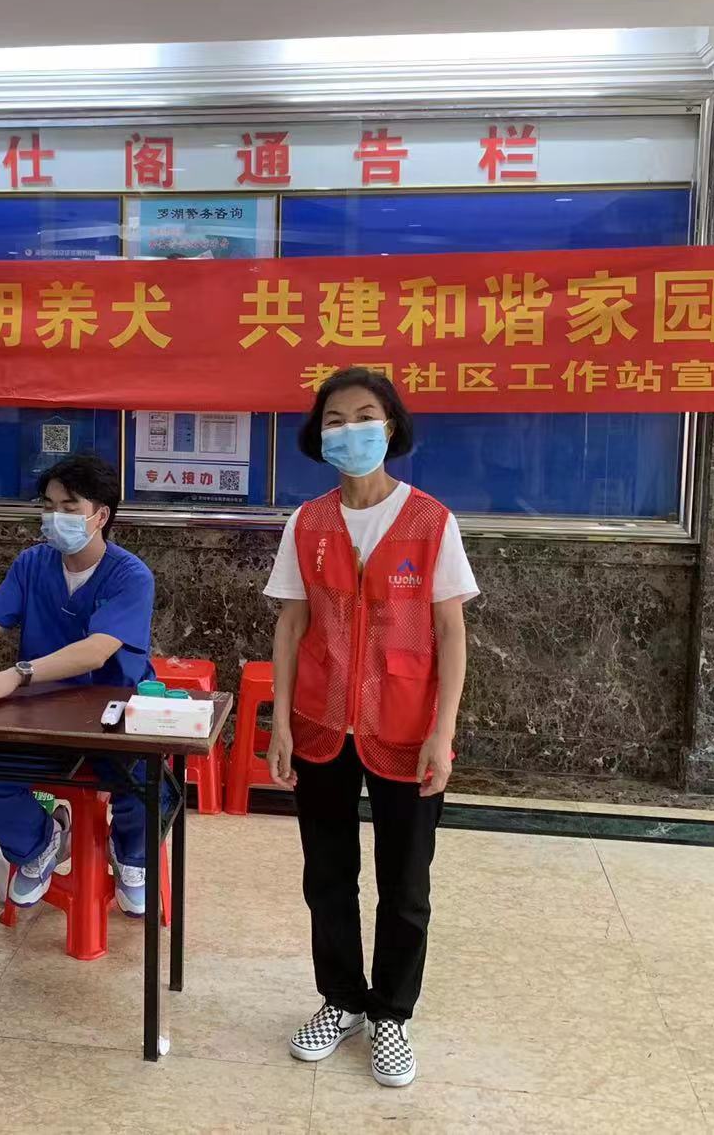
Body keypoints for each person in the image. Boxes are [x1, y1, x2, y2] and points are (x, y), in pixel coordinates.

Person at [263, 367, 477, 1089]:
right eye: (334, 420)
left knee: (405, 883)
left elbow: (451, 633)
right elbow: (290, 626)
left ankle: (391, 1014)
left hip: (406, 728)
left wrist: (443, 733)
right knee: (327, 876)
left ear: (390, 428)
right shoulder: (307, 523)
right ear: (318, 434)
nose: (348, 430)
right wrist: (281, 723)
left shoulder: (431, 521)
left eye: (363, 416)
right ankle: (342, 1001)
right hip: (321, 724)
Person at [0, 455, 157, 913]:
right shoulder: (32, 564)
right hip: (44, 714)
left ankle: (131, 857)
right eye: (48, 506)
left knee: (151, 786)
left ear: (100, 515)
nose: (55, 517)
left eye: (69, 507)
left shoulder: (130, 575)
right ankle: (40, 843)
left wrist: (18, 673)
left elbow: (97, 650)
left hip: (114, 716)